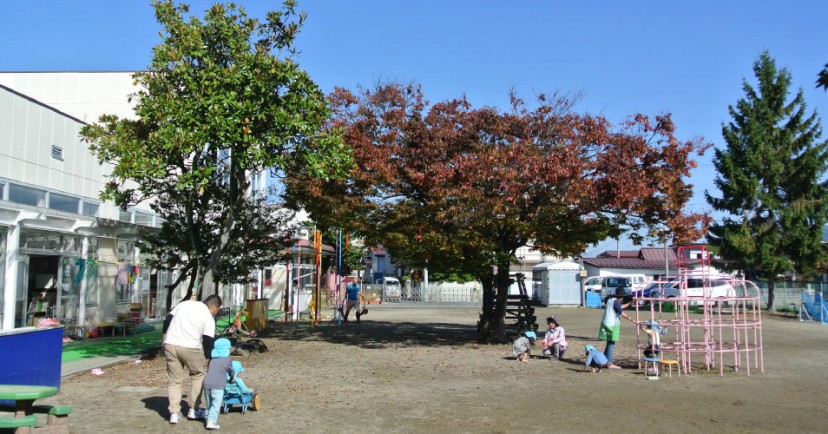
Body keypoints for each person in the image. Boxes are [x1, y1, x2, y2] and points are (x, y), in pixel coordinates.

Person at [163, 294, 222, 424]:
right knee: (197, 376)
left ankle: (174, 413)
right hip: (191, 347)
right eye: (217, 310)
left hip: (170, 344)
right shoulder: (208, 316)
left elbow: (167, 320)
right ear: (214, 307)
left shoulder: (184, 304)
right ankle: (193, 410)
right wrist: (209, 360)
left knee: (174, 380)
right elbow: (208, 341)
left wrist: (164, 339)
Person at [598, 287, 635, 366]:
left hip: (605, 323)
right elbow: (621, 312)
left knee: (609, 343)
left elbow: (620, 307)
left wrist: (629, 304)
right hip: (611, 325)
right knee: (611, 344)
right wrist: (631, 319)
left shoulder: (610, 300)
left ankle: (603, 360)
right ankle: (609, 363)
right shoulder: (616, 302)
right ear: (621, 297)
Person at [202, 338, 234, 430]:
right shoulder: (227, 360)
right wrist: (232, 377)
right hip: (218, 385)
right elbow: (231, 371)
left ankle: (207, 417)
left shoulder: (212, 360)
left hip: (206, 383)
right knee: (216, 404)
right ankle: (211, 422)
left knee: (209, 403)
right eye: (228, 348)